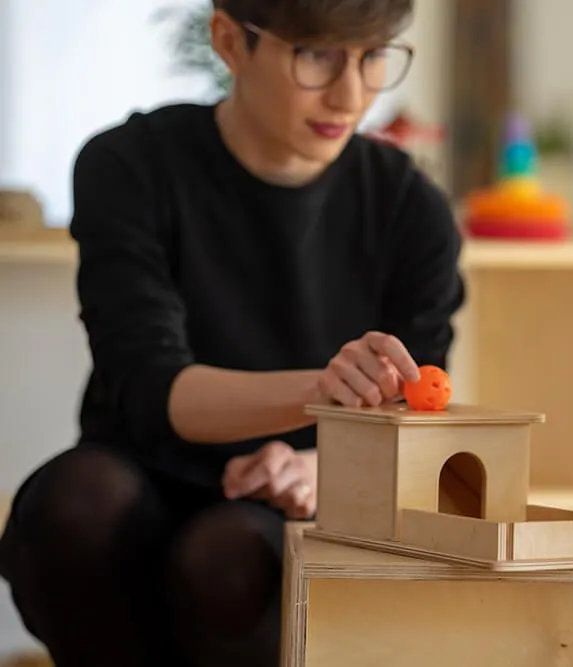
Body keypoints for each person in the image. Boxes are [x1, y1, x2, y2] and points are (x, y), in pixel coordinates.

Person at [0, 1, 465, 665]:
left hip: (293, 497)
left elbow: (419, 416)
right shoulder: (130, 165)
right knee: (73, 508)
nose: (351, 93)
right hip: (138, 475)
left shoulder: (410, 208)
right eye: (317, 55)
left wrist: (318, 466)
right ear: (228, 40)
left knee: (230, 559)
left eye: (372, 56)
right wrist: (322, 389)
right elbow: (151, 384)